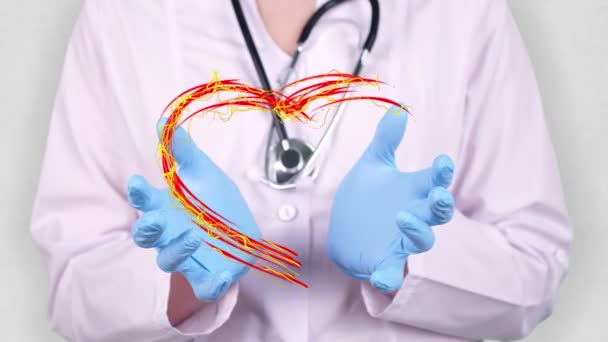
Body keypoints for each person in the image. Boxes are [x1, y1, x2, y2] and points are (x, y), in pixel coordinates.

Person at [31, 0, 573, 341]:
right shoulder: (123, 14)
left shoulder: (465, 13)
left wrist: (412, 259)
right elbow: (72, 291)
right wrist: (182, 280)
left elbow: (534, 269)